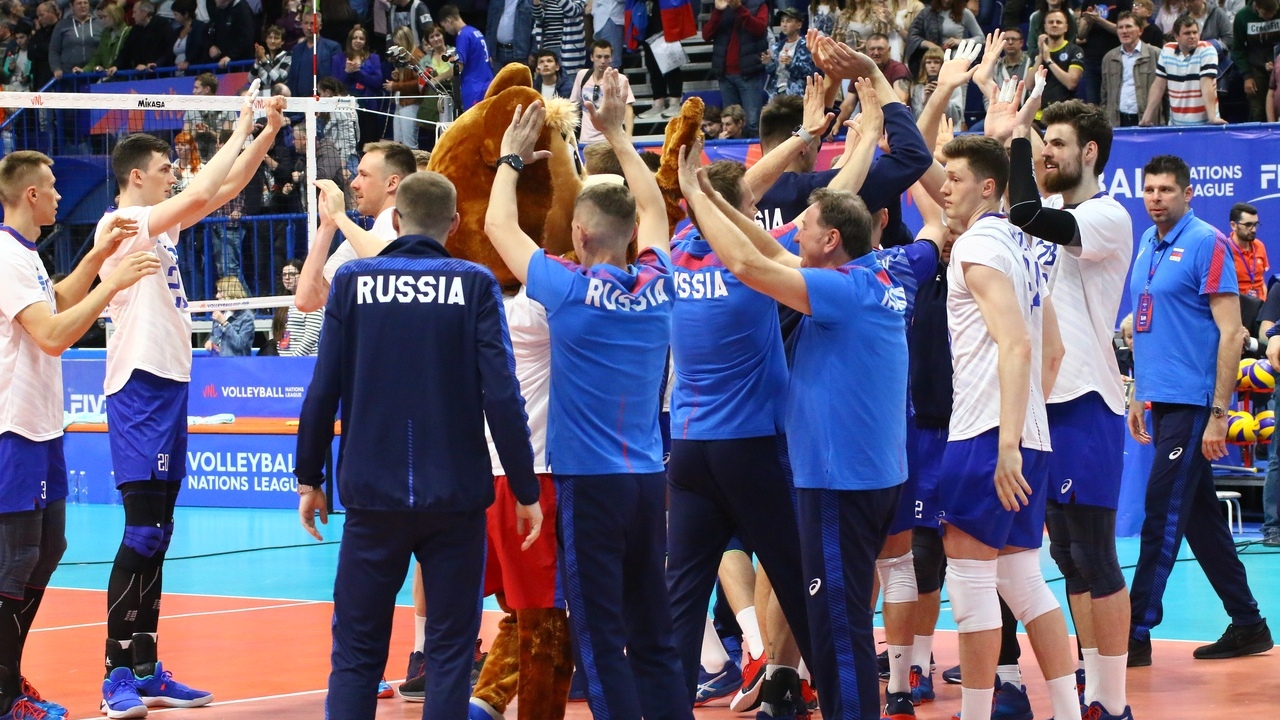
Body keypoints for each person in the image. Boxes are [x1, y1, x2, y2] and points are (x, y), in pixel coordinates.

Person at [676, 124, 910, 718]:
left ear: (830, 240)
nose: (790, 226)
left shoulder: (834, 290)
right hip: (846, 469)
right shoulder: (872, 275)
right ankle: (791, 679)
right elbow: (765, 246)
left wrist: (695, 196)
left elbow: (747, 256)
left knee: (833, 622)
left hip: (824, 477)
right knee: (828, 610)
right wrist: (714, 196)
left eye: (804, 223)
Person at [294, 173, 542, 720]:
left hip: (372, 497)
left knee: (356, 651)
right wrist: (525, 489)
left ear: (396, 219)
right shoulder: (474, 284)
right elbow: (503, 396)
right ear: (454, 224)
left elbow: (322, 390)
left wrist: (309, 478)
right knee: (450, 652)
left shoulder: (353, 281)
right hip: (456, 497)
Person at [484, 69, 691, 720]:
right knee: (653, 631)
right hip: (648, 480)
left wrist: (511, 158)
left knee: (600, 639)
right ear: (631, 237)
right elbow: (654, 209)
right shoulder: (658, 283)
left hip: (590, 486)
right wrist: (617, 135)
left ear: (577, 235)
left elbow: (497, 225)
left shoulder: (567, 290)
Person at [93, 92, 287, 719]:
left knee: (161, 532)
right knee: (142, 531)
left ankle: (146, 668)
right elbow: (203, 189)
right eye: (164, 168)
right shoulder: (122, 223)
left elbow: (223, 190)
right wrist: (241, 123)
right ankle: (115, 673)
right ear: (136, 177)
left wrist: (266, 134)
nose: (172, 174)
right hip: (139, 384)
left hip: (170, 382)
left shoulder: (159, 224)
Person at [0, 150, 158, 720]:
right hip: (12, 428)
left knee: (48, 550)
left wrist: (95, 255)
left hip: (41, 427)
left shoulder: (26, 255)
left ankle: (8, 678)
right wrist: (112, 281)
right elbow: (52, 335)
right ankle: (2, 695)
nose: (61, 195)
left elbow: (57, 301)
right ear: (31, 194)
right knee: (15, 560)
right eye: (52, 186)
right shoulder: (4, 256)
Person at [935, 134, 1080, 720]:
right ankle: (1068, 711)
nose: (944, 189)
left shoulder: (978, 246)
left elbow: (1019, 345)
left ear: (988, 187)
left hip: (987, 435)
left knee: (970, 586)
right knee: (1023, 581)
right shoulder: (1022, 249)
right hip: (1027, 434)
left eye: (955, 179)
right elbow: (1054, 352)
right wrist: (1025, 427)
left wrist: (1006, 440)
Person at [1005, 100, 1135, 720]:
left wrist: (1015, 138)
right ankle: (1090, 686)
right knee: (1066, 559)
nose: (1046, 153)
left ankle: (1114, 701)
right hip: (1042, 400)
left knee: (1095, 554)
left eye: (1056, 143)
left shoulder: (1106, 215)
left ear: (1089, 152)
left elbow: (1026, 212)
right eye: (1043, 143)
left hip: (1086, 400)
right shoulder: (1049, 216)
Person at [1127, 154, 1273, 668]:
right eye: (1149, 189)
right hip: (1162, 400)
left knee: (1160, 512)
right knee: (1199, 519)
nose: (1156, 198)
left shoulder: (1207, 242)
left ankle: (1134, 631)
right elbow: (1146, 323)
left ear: (1188, 194)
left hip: (1194, 404)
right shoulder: (1147, 243)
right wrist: (1138, 393)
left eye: (1166, 190)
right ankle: (1249, 624)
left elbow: (1231, 332)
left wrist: (1218, 413)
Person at [295, 140, 416, 313]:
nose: (354, 183)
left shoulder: (419, 229)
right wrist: (327, 227)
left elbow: (392, 269)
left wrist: (339, 216)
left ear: (391, 183)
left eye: (364, 175)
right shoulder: (359, 241)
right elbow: (307, 300)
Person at [703, 0, 771, 138]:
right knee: (729, 124)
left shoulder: (758, 5)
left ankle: (756, 152)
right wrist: (717, 12)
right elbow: (706, 35)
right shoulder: (722, 8)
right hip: (725, 75)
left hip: (749, 74)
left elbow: (760, 29)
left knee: (753, 122)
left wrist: (739, 9)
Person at [1144, 14, 1225, 125]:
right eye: (1187, 33)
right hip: (1175, 124)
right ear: (1176, 36)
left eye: (1195, 32)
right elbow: (1159, 85)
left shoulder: (1207, 50)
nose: (1192, 36)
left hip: (1205, 125)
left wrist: (1213, 118)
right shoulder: (1167, 50)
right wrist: (1146, 117)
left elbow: (1207, 84)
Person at [1101, 12, 1163, 126]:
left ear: (1140, 30)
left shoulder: (1156, 55)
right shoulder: (1109, 58)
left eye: (1128, 26)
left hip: (1147, 120)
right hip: (1118, 121)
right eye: (1120, 27)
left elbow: (1166, 94)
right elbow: (1104, 95)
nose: (1124, 31)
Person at [570, 40, 635, 142]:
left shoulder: (619, 79)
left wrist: (628, 135)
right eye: (599, 57)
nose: (603, 61)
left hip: (611, 141)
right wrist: (570, 135)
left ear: (611, 58)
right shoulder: (582, 76)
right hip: (585, 141)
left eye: (606, 57)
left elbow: (628, 109)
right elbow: (574, 107)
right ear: (592, 57)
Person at [333, 25, 386, 148]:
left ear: (365, 41)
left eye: (361, 38)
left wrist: (358, 72)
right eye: (355, 38)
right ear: (350, 40)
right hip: (346, 107)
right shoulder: (338, 58)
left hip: (368, 106)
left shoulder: (374, 58)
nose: (358, 41)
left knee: (369, 143)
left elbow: (377, 81)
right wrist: (347, 72)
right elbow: (335, 84)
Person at [437, 4, 495, 110]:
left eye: (444, 27)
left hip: (474, 89)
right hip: (489, 85)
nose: (446, 31)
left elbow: (458, 67)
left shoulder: (463, 35)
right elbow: (490, 60)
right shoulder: (476, 32)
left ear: (449, 20)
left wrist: (438, 78)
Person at [1232, 0, 1280, 122]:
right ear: (1257, 7)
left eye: (1274, 13)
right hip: (1255, 67)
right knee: (1257, 111)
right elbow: (1238, 49)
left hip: (1278, 63)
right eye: (1266, 13)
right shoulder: (1242, 17)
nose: (1271, 16)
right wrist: (1247, 76)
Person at [764, 8, 821, 103]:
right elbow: (773, 72)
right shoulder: (777, 46)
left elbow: (810, 71)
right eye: (782, 21)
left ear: (799, 25)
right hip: (776, 93)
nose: (784, 24)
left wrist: (791, 64)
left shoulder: (806, 45)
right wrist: (769, 62)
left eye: (788, 21)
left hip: (796, 94)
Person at [1073, 0, 1123, 106]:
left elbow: (1122, 30)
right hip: (1091, 60)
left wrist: (1099, 20)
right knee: (1093, 105)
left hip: (1115, 59)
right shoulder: (1088, 1)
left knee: (1113, 103)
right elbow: (1081, 34)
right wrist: (1089, 22)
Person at [1035, 9, 1084, 113]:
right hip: (1039, 114)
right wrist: (1041, 55)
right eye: (1051, 22)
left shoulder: (1075, 50)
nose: (1054, 25)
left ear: (1066, 27)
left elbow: (1071, 83)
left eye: (1059, 22)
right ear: (1045, 27)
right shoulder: (1038, 52)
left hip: (1064, 112)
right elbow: (1029, 84)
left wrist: (1049, 60)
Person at [286, 10, 342, 98]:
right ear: (302, 24)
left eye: (312, 23)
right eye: (306, 23)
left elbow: (336, 77)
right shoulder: (297, 49)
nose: (309, 27)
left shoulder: (332, 47)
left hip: (323, 100)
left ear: (320, 26)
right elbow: (292, 78)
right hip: (299, 101)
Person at [277, 260, 323, 357]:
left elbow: (311, 337)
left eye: (292, 274)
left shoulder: (311, 300)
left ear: (303, 275)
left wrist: (294, 359)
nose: (287, 278)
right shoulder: (284, 302)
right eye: (284, 275)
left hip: (304, 361)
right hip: (284, 360)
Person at [115, 1, 174, 72]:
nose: (133, 16)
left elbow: (169, 49)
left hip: (160, 72)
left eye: (135, 12)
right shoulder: (136, 29)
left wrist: (156, 64)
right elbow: (126, 51)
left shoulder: (162, 25)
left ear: (144, 13)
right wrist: (116, 66)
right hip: (141, 72)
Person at [203, 277, 256, 356]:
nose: (217, 296)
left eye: (220, 292)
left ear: (230, 293)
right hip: (217, 360)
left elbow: (240, 344)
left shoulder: (246, 317)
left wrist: (224, 323)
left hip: (236, 362)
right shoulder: (220, 312)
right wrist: (210, 341)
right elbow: (214, 335)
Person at [49, 0, 99, 81]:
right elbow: (53, 50)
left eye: (85, 3)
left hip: (95, 75)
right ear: (72, 7)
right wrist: (56, 68)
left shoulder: (99, 23)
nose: (83, 6)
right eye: (79, 3)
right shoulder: (62, 25)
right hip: (69, 76)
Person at [533, 0, 587, 72]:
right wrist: (536, 3)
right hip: (548, 47)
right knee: (548, 77)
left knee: (569, 76)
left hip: (570, 50)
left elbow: (573, 11)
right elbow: (538, 17)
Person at [1227, 202, 1267, 300]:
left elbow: (1261, 280)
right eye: (1248, 225)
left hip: (1261, 305)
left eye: (1255, 224)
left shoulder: (1260, 246)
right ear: (1233, 225)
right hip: (1238, 304)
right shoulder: (1225, 250)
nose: (1253, 230)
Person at [206, 0, 254, 68]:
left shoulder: (242, 9)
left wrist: (231, 56)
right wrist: (212, 46)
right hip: (222, 63)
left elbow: (247, 39)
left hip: (240, 65)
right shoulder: (219, 11)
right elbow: (213, 31)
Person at [485, 0, 533, 68]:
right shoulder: (495, 1)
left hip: (520, 54)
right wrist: (488, 51)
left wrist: (533, 52)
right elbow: (489, 27)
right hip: (497, 53)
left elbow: (536, 27)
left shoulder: (529, 1)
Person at [254, 26, 293, 94]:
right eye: (270, 38)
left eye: (276, 38)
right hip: (262, 95)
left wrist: (263, 60)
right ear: (266, 40)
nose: (272, 41)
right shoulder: (264, 56)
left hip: (278, 95)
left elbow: (279, 79)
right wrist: (257, 61)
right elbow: (250, 79)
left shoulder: (287, 56)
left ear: (282, 41)